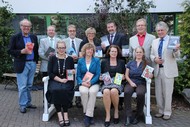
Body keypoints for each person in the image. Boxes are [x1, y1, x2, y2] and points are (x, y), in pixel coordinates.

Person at [150, 21, 180, 120]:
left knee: (167, 93)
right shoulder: (154, 41)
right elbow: (151, 54)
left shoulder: (172, 40)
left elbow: (177, 56)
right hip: (158, 70)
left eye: (162, 30)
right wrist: (155, 59)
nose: (160, 32)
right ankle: (160, 110)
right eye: (158, 30)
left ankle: (167, 112)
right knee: (158, 93)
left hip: (168, 71)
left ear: (166, 30)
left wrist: (176, 50)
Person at [8, 19, 39, 113]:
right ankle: (22, 105)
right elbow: (9, 50)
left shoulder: (33, 37)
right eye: (24, 26)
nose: (26, 28)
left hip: (32, 63)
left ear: (30, 27)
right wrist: (21, 51)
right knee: (22, 86)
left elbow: (36, 49)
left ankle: (28, 103)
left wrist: (35, 61)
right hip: (22, 63)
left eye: (28, 26)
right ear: (21, 27)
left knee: (29, 85)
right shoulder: (15, 37)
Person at [46, 40, 75, 126]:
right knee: (56, 90)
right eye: (59, 48)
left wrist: (73, 72)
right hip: (55, 80)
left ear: (65, 48)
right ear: (57, 49)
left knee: (64, 90)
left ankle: (65, 114)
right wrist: (60, 80)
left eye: (63, 48)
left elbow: (71, 71)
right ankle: (59, 114)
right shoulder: (52, 58)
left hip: (67, 81)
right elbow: (50, 73)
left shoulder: (69, 59)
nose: (61, 49)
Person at [124, 47, 153, 126]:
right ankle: (128, 115)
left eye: (140, 52)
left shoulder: (146, 63)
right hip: (131, 82)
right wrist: (130, 82)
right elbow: (126, 75)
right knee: (127, 92)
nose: (138, 54)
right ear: (135, 53)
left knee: (140, 93)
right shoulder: (130, 63)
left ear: (143, 53)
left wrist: (150, 75)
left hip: (141, 82)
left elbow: (150, 74)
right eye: (137, 52)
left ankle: (138, 114)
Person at [100, 45, 125, 127]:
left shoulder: (121, 62)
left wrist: (123, 77)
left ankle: (116, 111)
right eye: (112, 51)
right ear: (109, 52)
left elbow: (124, 74)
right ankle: (107, 115)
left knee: (114, 91)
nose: (114, 53)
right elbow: (101, 73)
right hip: (107, 82)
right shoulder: (104, 61)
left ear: (118, 53)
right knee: (106, 91)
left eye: (115, 51)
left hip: (117, 83)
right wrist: (101, 77)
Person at [76, 43, 101, 127]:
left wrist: (91, 82)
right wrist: (82, 82)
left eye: (91, 49)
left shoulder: (96, 60)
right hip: (83, 83)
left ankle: (87, 116)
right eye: (88, 49)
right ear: (85, 50)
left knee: (92, 92)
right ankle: (89, 115)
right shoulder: (80, 61)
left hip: (94, 83)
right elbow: (78, 75)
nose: (89, 51)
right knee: (84, 92)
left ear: (93, 51)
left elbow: (98, 74)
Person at [63, 24, 82, 108]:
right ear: (68, 32)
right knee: (70, 81)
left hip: (79, 64)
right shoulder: (64, 41)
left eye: (73, 31)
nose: (72, 32)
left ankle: (78, 100)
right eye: (70, 31)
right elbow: (61, 52)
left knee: (78, 81)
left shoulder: (80, 41)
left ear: (76, 32)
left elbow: (83, 51)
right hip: (69, 65)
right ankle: (69, 100)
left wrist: (79, 56)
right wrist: (69, 56)